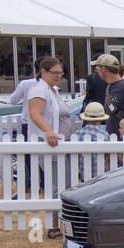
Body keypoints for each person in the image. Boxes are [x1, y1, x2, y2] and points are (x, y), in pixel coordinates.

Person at [24, 57, 76, 236]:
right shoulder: (39, 89)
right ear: (43, 71)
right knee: (57, 185)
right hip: (51, 145)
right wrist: (48, 131)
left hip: (61, 145)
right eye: (55, 72)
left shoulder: (52, 90)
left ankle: (62, 223)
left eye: (60, 73)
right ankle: (55, 226)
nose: (58, 76)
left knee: (65, 184)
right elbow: (34, 114)